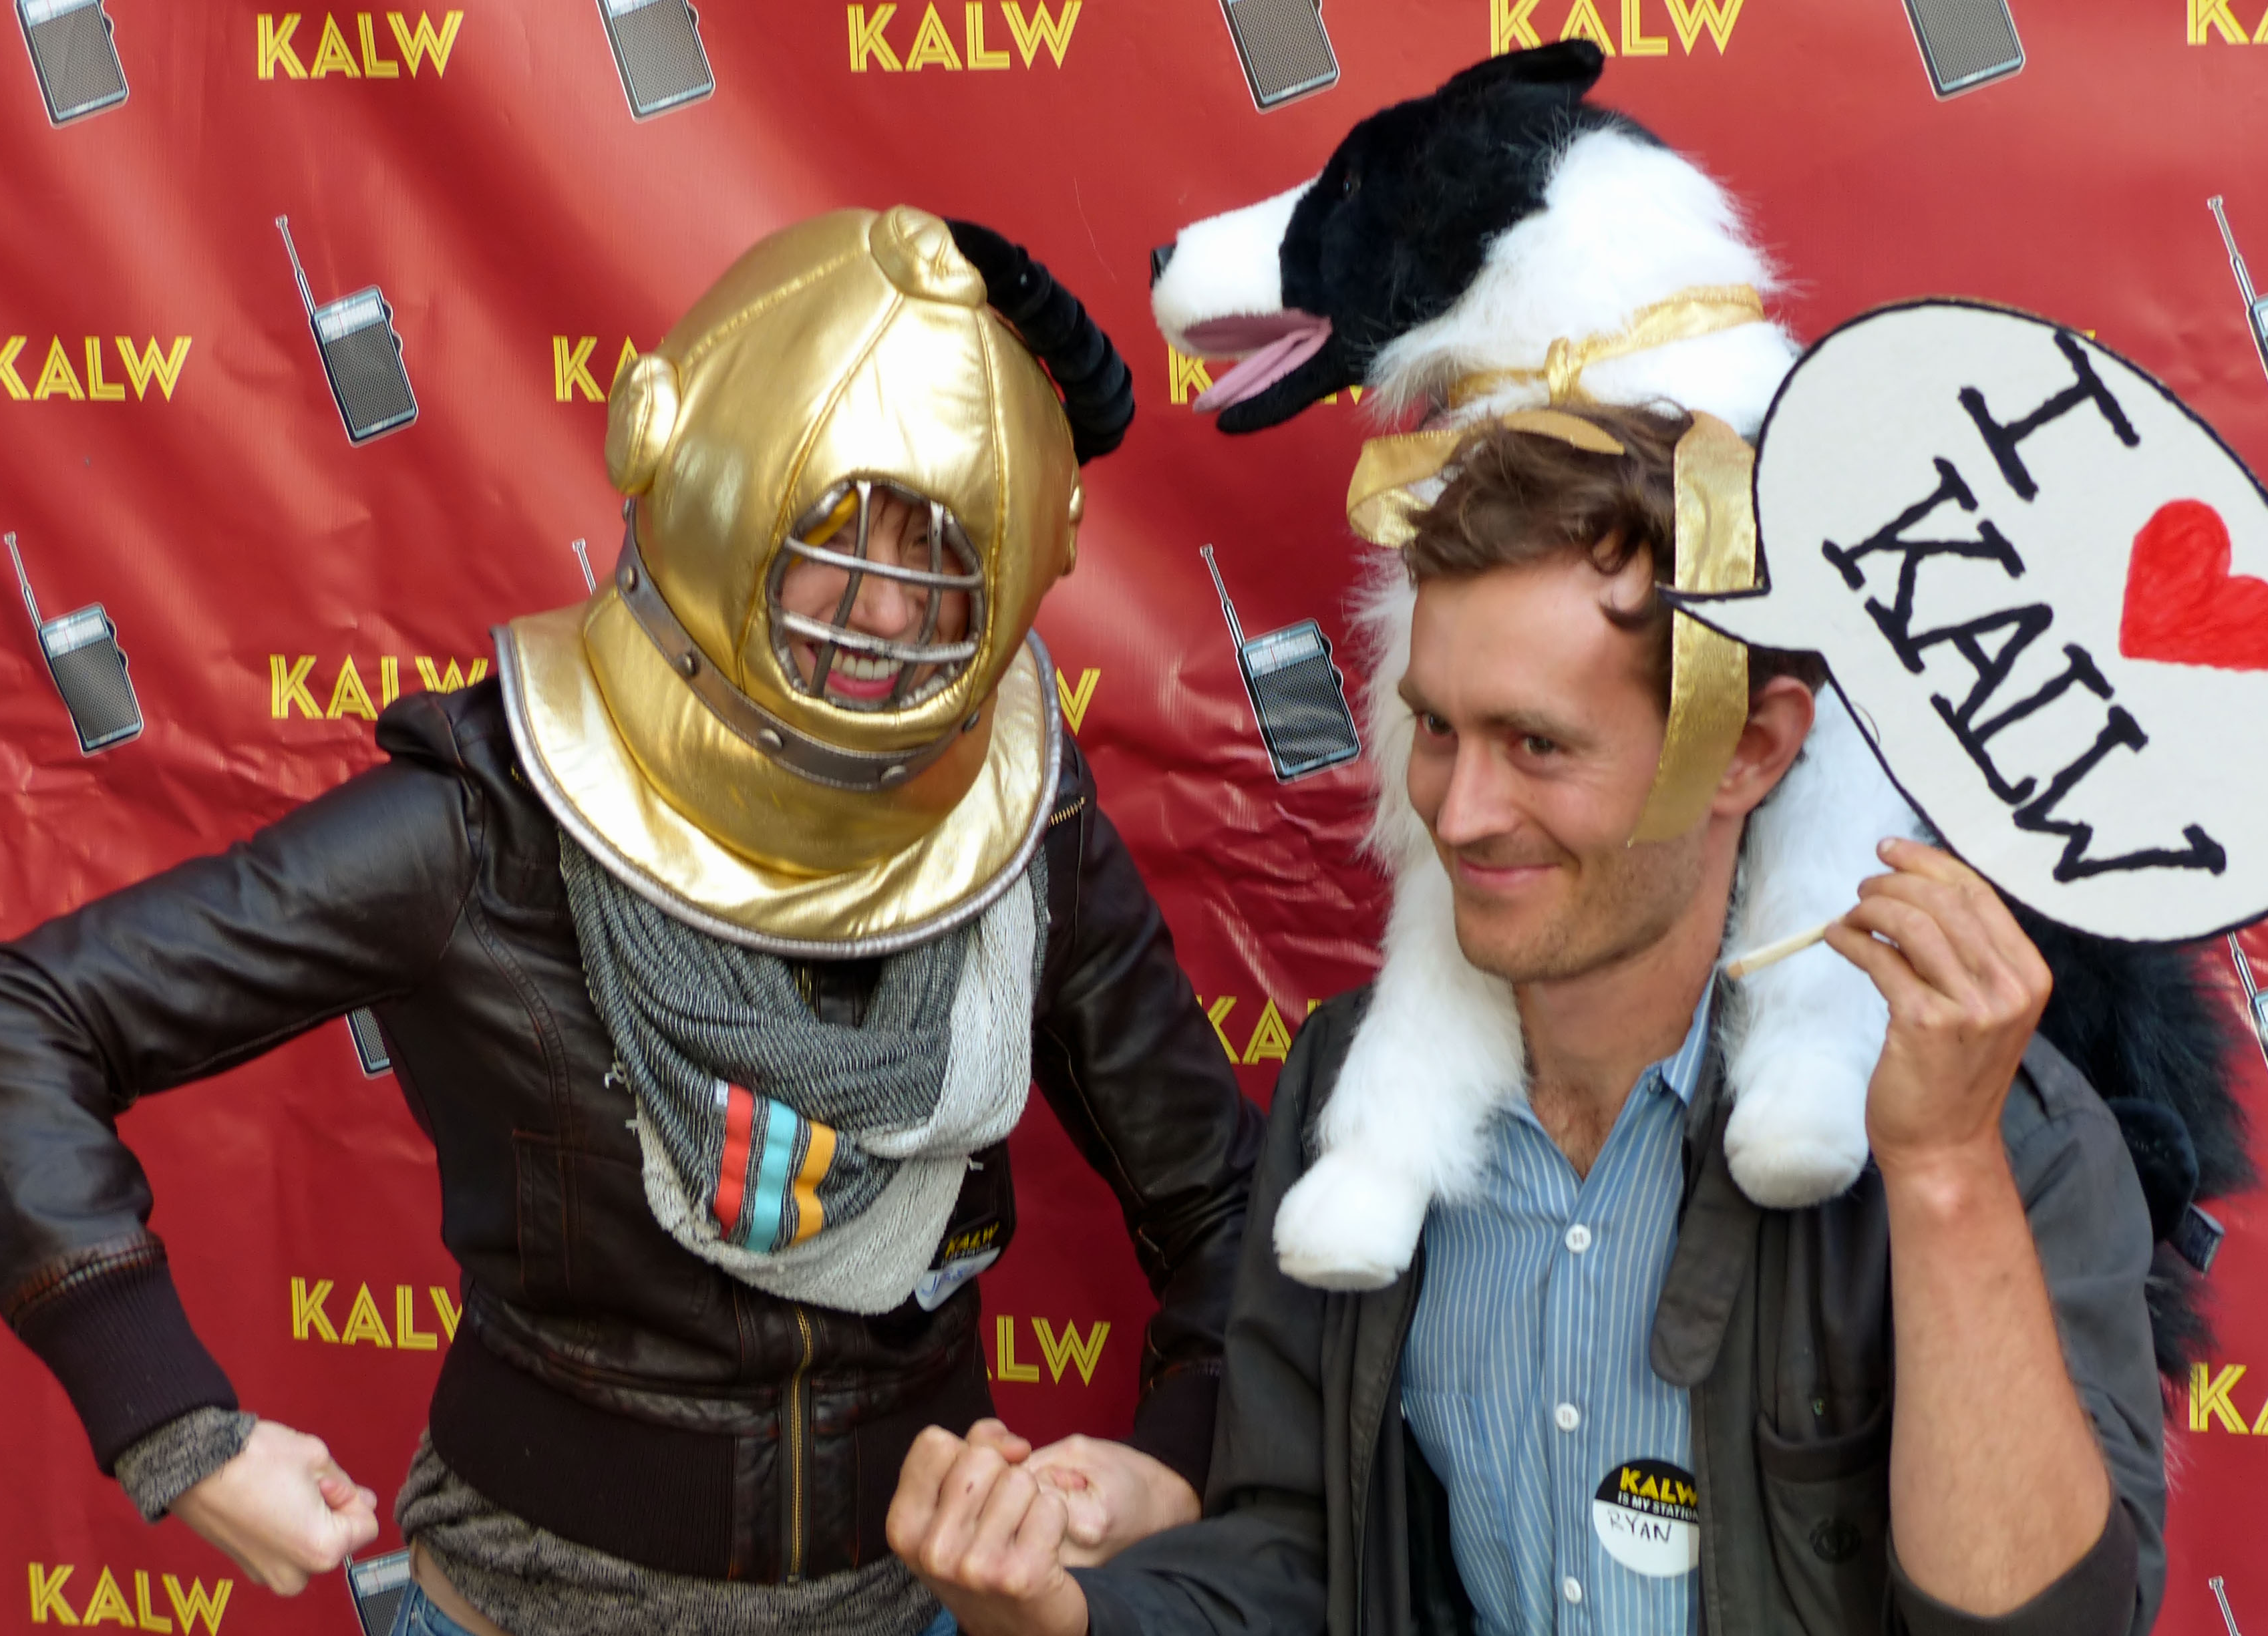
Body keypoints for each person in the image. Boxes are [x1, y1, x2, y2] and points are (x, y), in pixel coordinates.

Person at [0, 206, 1259, 1636]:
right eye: (832, 534)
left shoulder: (1020, 824)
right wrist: (175, 1426)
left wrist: (1175, 1459)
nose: (881, 614)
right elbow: (7, 1028)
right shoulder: (491, 819)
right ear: (715, 488)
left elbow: (1220, 1201)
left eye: (937, 555)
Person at [888, 405, 2170, 1635]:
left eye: (1538, 744)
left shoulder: (1979, 1127)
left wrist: (1943, 1173)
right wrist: (1073, 1615)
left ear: (1747, 749)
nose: (1457, 814)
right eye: (1438, 729)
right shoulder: (1354, 1092)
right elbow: (1300, 1551)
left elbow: (2049, 1627)